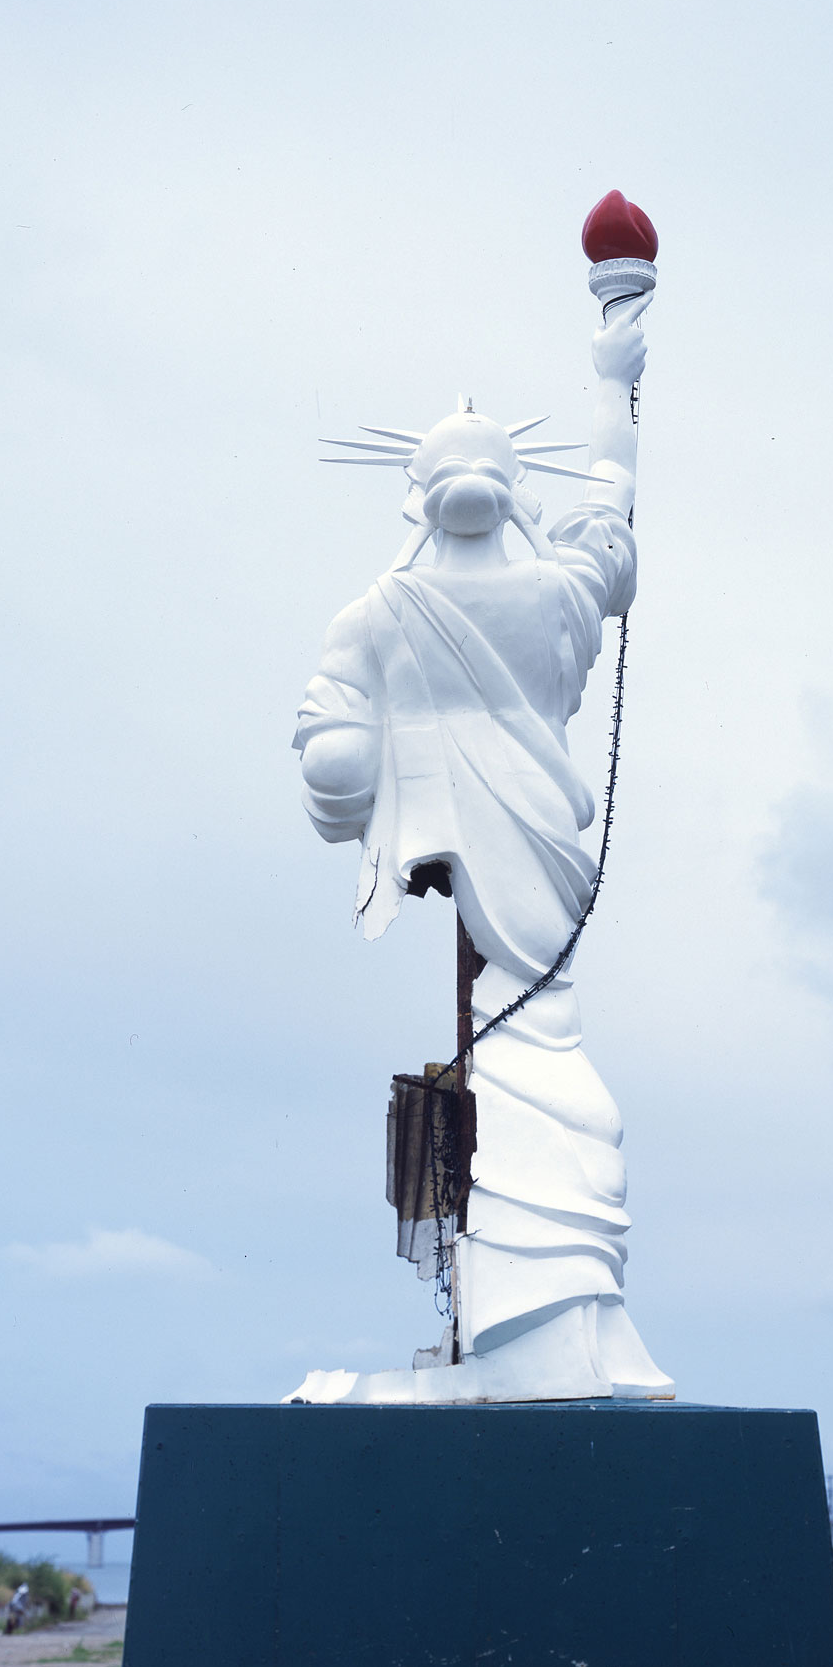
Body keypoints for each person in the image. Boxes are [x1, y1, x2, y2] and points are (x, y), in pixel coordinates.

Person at [288, 290, 673, 1405]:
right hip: (533, 859)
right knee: (531, 1052)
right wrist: (611, 382)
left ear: (412, 493)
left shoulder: (376, 611)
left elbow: (328, 737)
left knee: (525, 1053)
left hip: (524, 862)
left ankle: (540, 1330)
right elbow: (607, 520)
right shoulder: (548, 597)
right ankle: (535, 1326)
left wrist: (341, 760)